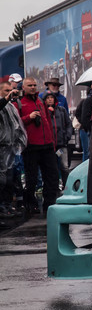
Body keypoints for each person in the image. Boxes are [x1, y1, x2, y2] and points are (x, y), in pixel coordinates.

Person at [13, 77, 59, 217]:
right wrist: (29, 117)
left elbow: (48, 124)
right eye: (30, 85)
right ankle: (30, 204)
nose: (33, 87)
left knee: (52, 177)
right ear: (24, 87)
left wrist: (53, 142)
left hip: (47, 145)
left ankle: (49, 204)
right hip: (31, 146)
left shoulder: (40, 101)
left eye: (34, 85)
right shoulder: (19, 103)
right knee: (31, 179)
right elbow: (16, 124)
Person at [0, 82, 26, 223]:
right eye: (6, 90)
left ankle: (7, 206)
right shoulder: (3, 103)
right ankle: (2, 208)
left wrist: (20, 140)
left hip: (9, 149)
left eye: (11, 90)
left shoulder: (11, 106)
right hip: (1, 147)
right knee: (2, 181)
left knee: (10, 180)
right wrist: (5, 99)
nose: (10, 93)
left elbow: (17, 125)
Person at [43, 92, 72, 187]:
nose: (50, 99)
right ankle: (54, 186)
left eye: (52, 97)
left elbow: (68, 124)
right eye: (48, 98)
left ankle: (67, 185)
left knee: (64, 166)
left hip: (61, 144)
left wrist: (67, 136)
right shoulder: (43, 111)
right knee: (52, 167)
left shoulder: (61, 110)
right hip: (50, 146)